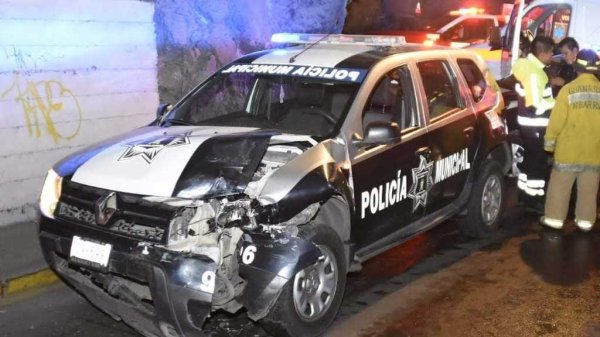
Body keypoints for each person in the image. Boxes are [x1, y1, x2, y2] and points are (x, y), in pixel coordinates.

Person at [541, 49, 600, 231]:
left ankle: (554, 219)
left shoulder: (567, 90)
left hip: (568, 151)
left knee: (559, 187)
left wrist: (549, 143)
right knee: (588, 191)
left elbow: (556, 122)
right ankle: (585, 222)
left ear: (576, 67)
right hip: (594, 153)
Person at [512, 36, 556, 212]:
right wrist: (556, 103)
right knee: (537, 164)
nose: (552, 55)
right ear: (543, 53)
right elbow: (535, 104)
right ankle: (534, 200)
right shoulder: (535, 73)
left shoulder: (524, 66)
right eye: (551, 52)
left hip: (526, 125)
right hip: (535, 126)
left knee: (529, 161)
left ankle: (523, 196)